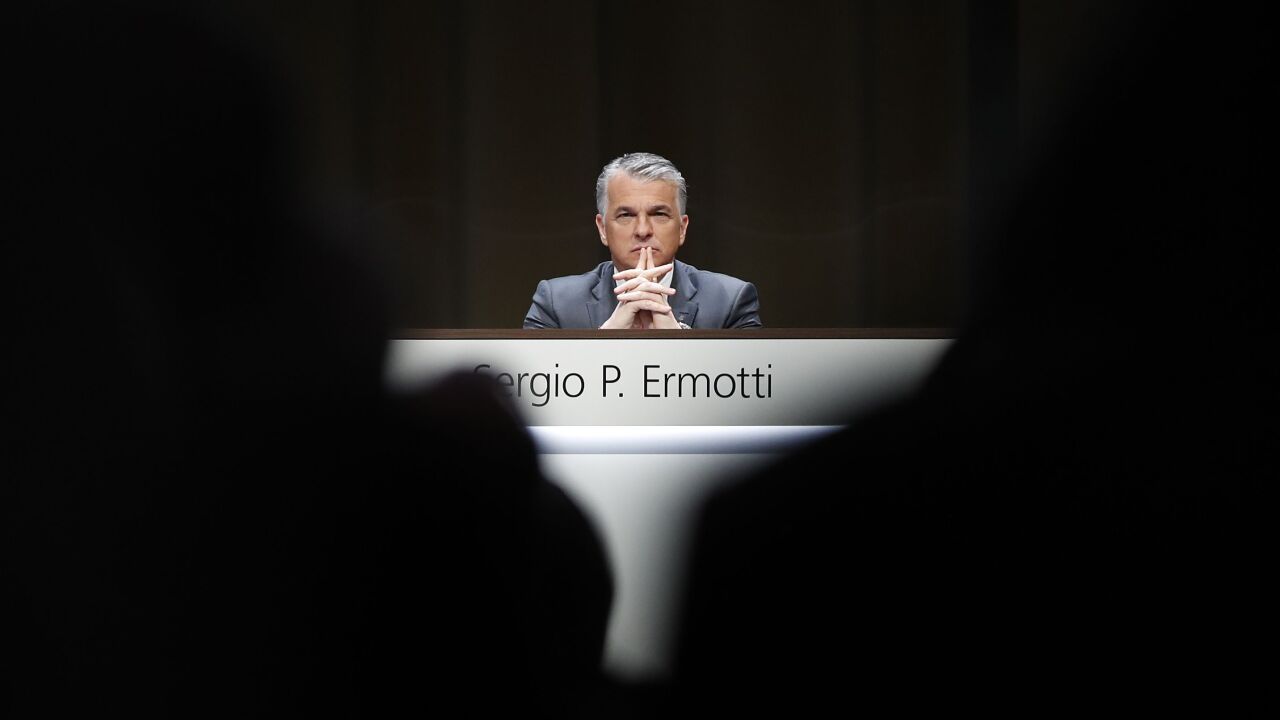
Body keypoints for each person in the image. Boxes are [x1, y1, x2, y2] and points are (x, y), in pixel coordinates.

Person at [523, 152, 762, 329]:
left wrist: (680, 342)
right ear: (602, 229)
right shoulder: (555, 302)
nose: (643, 230)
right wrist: (605, 341)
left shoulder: (732, 300)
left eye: (659, 214)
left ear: (682, 228)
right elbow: (532, 390)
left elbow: (752, 388)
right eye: (626, 215)